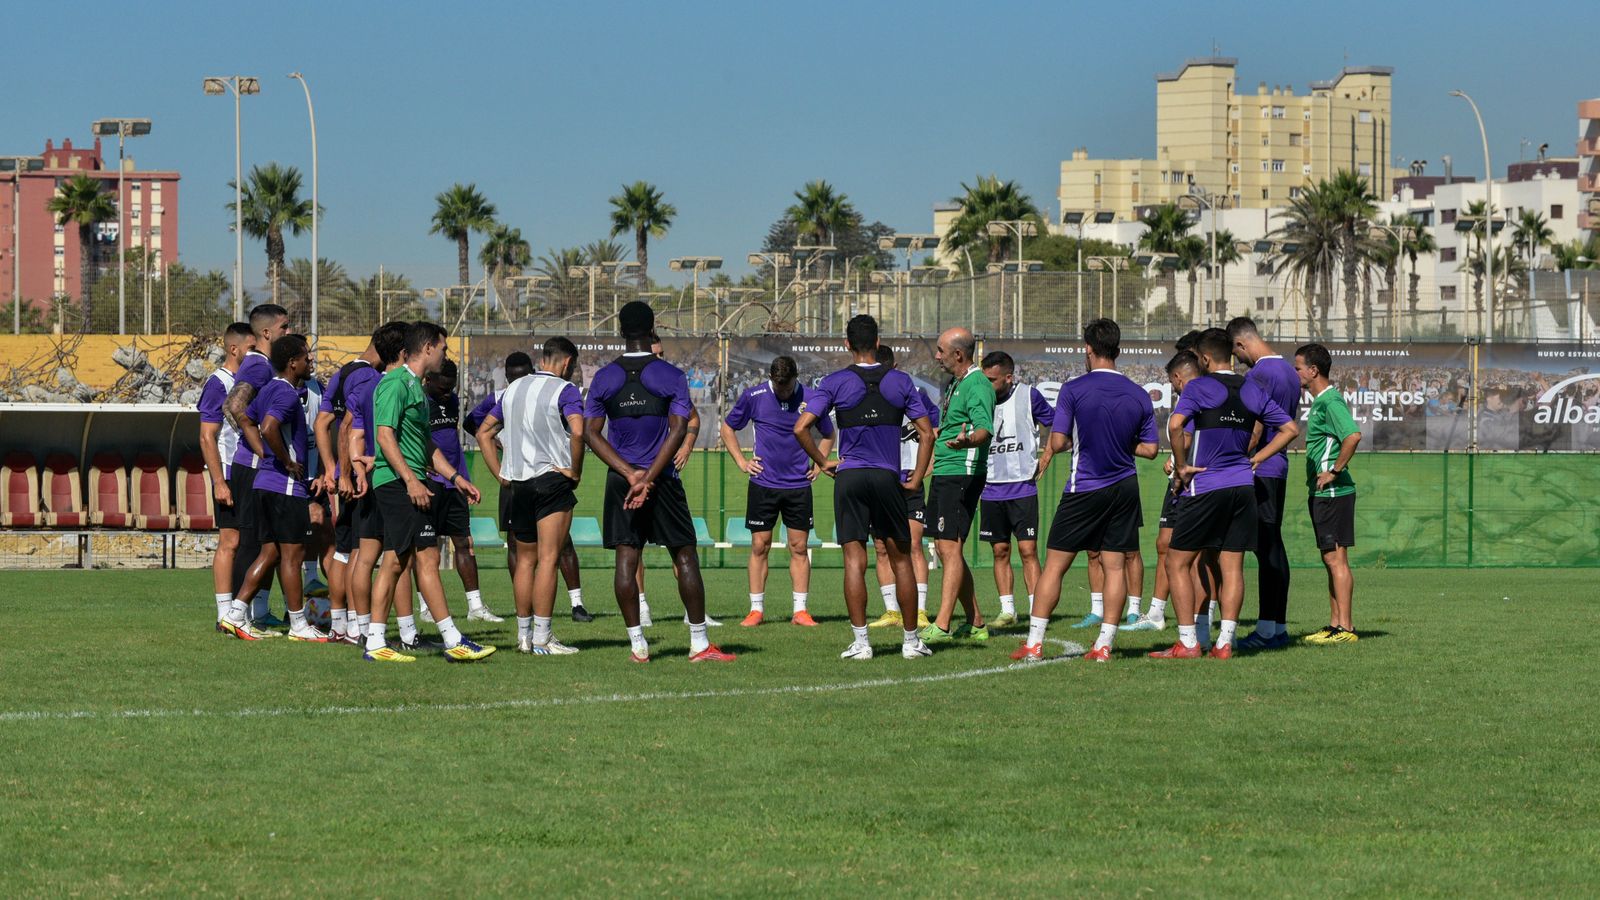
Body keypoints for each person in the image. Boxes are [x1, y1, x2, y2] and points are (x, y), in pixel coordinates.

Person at [583, 301, 732, 663]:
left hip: (622, 481)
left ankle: (638, 645)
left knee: (626, 558)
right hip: (661, 479)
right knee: (684, 555)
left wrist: (630, 474)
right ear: (652, 332)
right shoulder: (670, 375)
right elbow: (680, 428)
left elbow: (589, 433)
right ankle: (699, 643)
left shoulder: (604, 378)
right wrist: (647, 476)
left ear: (620, 332)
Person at [1010, 319, 1157, 662]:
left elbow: (1059, 440)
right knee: (1116, 567)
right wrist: (1121, 442)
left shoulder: (1073, 389)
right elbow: (1150, 450)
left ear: (1088, 349)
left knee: (1055, 566)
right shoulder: (1138, 394)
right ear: (1118, 350)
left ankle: (1034, 644)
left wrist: (1077, 439)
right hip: (1124, 488)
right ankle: (1104, 646)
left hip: (1084, 487)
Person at [1151, 328, 1298, 660]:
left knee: (1177, 562)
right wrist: (1258, 457)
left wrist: (1182, 465)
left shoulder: (1200, 386)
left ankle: (1188, 642)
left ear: (1203, 359)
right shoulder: (1252, 387)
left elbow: (1175, 426)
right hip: (1243, 486)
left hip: (1205, 486)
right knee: (1233, 566)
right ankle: (1225, 643)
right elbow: (1290, 429)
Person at [795, 314, 935, 661]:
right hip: (887, 476)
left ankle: (861, 644)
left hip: (850, 477)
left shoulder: (834, 381)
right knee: (902, 559)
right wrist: (916, 478)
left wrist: (822, 461)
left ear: (847, 344)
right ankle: (910, 641)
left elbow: (801, 428)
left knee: (854, 560)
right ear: (877, 342)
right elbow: (928, 432)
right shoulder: (901, 381)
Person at [364, 321, 494, 663]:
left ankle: (378, 641)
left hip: (407, 482)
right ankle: (451, 639)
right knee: (419, 558)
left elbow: (425, 444)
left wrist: (455, 478)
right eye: (443, 348)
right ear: (427, 349)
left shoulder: (415, 388)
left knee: (399, 561)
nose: (445, 355)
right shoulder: (394, 383)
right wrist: (410, 480)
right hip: (396, 484)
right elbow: (385, 436)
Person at [476, 337, 586, 654]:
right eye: (574, 366)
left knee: (524, 561)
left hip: (518, 485)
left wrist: (500, 472)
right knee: (549, 560)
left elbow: (484, 431)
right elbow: (578, 431)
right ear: (567, 362)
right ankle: (543, 637)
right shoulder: (565, 391)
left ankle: (523, 637)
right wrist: (574, 470)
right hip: (551, 480)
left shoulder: (514, 389)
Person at [223, 334, 330, 642]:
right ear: (292, 363)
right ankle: (298, 626)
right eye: (306, 357)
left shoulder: (269, 388)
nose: (310, 362)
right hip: (285, 487)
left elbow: (245, 418)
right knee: (292, 557)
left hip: (264, 482)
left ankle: (234, 614)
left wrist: (264, 455)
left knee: (269, 552)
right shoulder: (285, 393)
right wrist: (285, 461)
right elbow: (268, 427)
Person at [719, 355, 835, 627]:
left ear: (796, 378)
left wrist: (820, 464)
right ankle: (756, 610)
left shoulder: (811, 397)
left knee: (799, 546)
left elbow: (829, 434)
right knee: (760, 546)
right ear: (771, 379)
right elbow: (727, 428)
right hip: (763, 484)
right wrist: (741, 461)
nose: (783, 391)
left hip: (798, 485)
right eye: (778, 386)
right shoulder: (754, 395)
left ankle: (800, 611)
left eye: (787, 386)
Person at [1229, 316, 1302, 650]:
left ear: (1242, 344)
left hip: (1262, 468)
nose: (1237, 359)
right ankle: (1277, 627)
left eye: (1235, 352)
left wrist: (1240, 457)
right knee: (1272, 546)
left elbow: (1256, 426)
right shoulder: (1288, 369)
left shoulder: (1258, 374)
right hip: (1279, 465)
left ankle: (1267, 630)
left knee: (1266, 548)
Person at [922, 327, 996, 643]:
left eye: (940, 351)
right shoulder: (956, 383)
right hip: (945, 471)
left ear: (958, 354)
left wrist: (968, 441)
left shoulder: (977, 384)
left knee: (950, 547)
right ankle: (976, 621)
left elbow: (984, 430)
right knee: (945, 546)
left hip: (961, 473)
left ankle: (941, 624)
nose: (937, 357)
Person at [222, 303, 292, 629]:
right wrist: (261, 446)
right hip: (250, 467)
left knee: (267, 543)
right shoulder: (259, 366)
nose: (289, 333)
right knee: (249, 543)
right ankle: (236, 617)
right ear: (266, 333)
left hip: (256, 467)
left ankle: (256, 613)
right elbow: (234, 405)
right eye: (285, 328)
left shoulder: (266, 367)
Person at [343, 322, 411, 649]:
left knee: (364, 555)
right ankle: (408, 633)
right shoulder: (400, 386)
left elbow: (353, 432)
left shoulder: (367, 387)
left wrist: (357, 470)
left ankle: (360, 628)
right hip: (392, 476)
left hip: (370, 477)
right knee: (398, 556)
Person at [421, 358, 504, 623]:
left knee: (464, 543)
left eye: (451, 388)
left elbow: (468, 426)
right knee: (427, 546)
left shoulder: (453, 400)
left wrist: (496, 441)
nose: (447, 393)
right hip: (429, 479)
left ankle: (475, 607)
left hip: (456, 481)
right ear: (428, 380)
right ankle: (425, 607)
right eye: (442, 388)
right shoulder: (418, 401)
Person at [313, 328, 383, 644]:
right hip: (358, 476)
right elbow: (346, 426)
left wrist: (330, 468)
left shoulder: (341, 373)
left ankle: (340, 624)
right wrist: (344, 472)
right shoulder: (370, 378)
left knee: (343, 552)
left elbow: (321, 423)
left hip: (343, 473)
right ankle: (357, 626)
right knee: (358, 551)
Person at [975, 350, 1054, 629]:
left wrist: (1047, 455)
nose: (988, 385)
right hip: (991, 488)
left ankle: (1037, 609)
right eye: (985, 379)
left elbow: (1056, 424)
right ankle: (1007, 610)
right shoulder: (980, 398)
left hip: (1022, 487)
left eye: (993, 380)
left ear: (1009, 378)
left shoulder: (1029, 395)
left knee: (1028, 549)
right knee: (1000, 551)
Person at [1126, 350, 1201, 632]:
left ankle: (1197, 617)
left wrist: (1179, 459)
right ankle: (1156, 612)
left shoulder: (1195, 397)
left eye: (1172, 381)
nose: (1172, 386)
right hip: (1178, 480)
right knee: (1164, 544)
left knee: (1190, 554)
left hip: (1191, 481)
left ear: (1178, 377)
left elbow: (1189, 434)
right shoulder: (1189, 398)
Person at [1295, 343, 1361, 644]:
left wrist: (1334, 470)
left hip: (1335, 492)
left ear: (1313, 370)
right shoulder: (1320, 402)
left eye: (1298, 368)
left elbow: (1353, 435)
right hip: (1323, 493)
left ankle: (1346, 628)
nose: (1295, 374)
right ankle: (1334, 625)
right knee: (1329, 559)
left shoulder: (1330, 401)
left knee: (1337, 560)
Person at [868, 344, 935, 630]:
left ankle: (919, 610)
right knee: (881, 547)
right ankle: (891, 611)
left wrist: (925, 468)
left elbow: (932, 430)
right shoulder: (866, 396)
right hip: (880, 479)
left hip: (909, 479)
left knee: (913, 544)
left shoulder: (915, 394)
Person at [198, 322, 255, 632]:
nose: (256, 354)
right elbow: (207, 437)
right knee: (230, 540)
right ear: (234, 349)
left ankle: (245, 612)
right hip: (229, 472)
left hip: (248, 472)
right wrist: (219, 481)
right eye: (251, 348)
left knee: (251, 542)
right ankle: (224, 615)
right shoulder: (219, 383)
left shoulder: (248, 381)